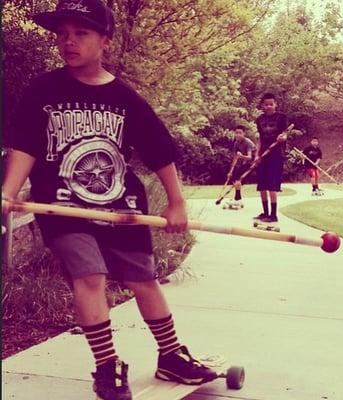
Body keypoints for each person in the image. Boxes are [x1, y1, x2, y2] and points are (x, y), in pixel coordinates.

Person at [1, 1, 217, 399]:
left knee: (144, 281)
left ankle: (170, 355)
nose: (68, 41)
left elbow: (159, 150)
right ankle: (107, 367)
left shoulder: (124, 97)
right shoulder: (42, 91)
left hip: (122, 208)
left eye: (81, 33)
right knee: (90, 275)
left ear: (104, 40)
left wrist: (176, 203)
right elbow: (24, 145)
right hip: (64, 206)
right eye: (62, 33)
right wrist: (8, 192)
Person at [254, 92, 288, 222]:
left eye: (271, 104)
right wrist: (257, 155)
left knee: (272, 185)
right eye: (266, 104)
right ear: (263, 105)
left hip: (276, 155)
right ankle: (265, 213)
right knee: (262, 185)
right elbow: (260, 140)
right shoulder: (259, 120)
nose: (269, 106)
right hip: (263, 155)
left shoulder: (281, 117)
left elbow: (285, 135)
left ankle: (273, 215)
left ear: (275, 104)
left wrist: (282, 138)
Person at [226, 125, 255, 207]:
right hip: (243, 163)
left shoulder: (247, 142)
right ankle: (238, 199)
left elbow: (249, 157)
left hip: (252, 162)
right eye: (236, 133)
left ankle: (238, 199)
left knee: (238, 180)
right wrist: (230, 171)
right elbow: (235, 158)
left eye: (240, 133)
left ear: (244, 134)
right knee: (235, 179)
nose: (238, 134)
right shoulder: (236, 143)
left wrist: (241, 156)